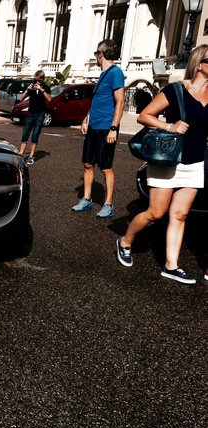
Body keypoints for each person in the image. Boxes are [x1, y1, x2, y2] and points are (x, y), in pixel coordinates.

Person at [116, 44, 208, 284]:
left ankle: (171, 265)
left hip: (194, 162)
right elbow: (143, 116)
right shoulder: (176, 90)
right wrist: (170, 126)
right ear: (200, 64)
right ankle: (125, 241)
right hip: (168, 159)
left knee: (180, 214)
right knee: (156, 214)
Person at [72, 39, 125, 218]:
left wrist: (114, 128)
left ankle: (108, 204)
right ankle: (86, 200)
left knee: (105, 167)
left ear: (100, 54)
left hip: (105, 128)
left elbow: (121, 102)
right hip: (94, 126)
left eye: (96, 53)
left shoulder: (115, 72)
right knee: (88, 164)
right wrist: (86, 119)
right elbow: (97, 100)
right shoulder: (103, 74)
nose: (95, 57)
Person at [18, 70, 51, 165]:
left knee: (35, 135)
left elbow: (49, 98)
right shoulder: (31, 87)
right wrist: (27, 90)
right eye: (35, 80)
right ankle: (21, 154)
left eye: (39, 81)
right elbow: (21, 98)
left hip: (40, 114)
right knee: (25, 134)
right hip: (31, 114)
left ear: (43, 79)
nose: (37, 82)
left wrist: (41, 89)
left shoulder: (46, 87)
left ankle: (31, 156)